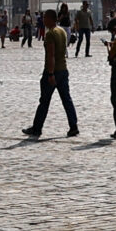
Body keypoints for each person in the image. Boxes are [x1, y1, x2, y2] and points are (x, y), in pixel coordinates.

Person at [23, 9, 79, 138]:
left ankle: (37, 128)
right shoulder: (62, 31)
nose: (43, 20)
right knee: (67, 100)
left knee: (44, 101)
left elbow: (51, 55)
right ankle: (73, 126)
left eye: (45, 18)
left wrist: (50, 74)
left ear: (49, 19)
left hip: (53, 71)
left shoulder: (50, 34)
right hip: (63, 70)